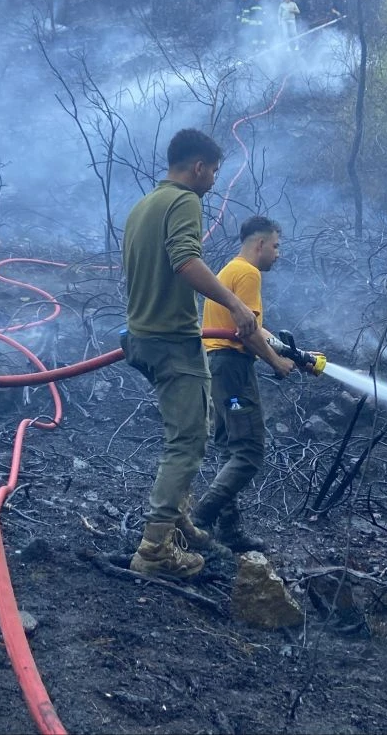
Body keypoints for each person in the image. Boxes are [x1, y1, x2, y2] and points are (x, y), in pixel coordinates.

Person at [122, 129, 257, 579]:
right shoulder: (184, 201)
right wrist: (234, 304)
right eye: (214, 171)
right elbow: (184, 260)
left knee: (187, 426)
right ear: (198, 167)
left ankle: (177, 517)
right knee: (188, 441)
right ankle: (154, 549)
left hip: (142, 337)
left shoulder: (144, 205)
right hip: (172, 341)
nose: (215, 181)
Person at [193, 217, 295, 551]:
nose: (277, 254)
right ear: (260, 244)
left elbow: (253, 327)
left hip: (217, 368)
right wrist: (276, 362)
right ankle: (198, 521)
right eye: (275, 246)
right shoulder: (249, 273)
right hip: (234, 369)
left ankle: (229, 529)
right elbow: (246, 333)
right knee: (249, 451)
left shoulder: (229, 271)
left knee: (229, 447)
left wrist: (293, 354)